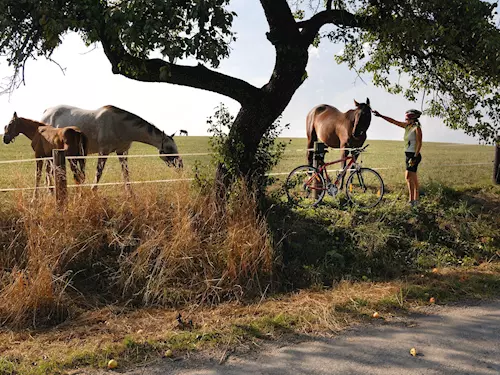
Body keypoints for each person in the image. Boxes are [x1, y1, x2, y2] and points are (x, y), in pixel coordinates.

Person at [371, 109, 423, 207]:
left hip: (414, 155)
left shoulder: (417, 128)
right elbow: (393, 121)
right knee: (413, 177)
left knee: (408, 176)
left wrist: (415, 157)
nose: (405, 120)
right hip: (408, 155)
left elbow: (419, 143)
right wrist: (381, 115)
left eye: (407, 118)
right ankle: (416, 199)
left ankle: (411, 201)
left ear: (413, 119)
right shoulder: (407, 127)